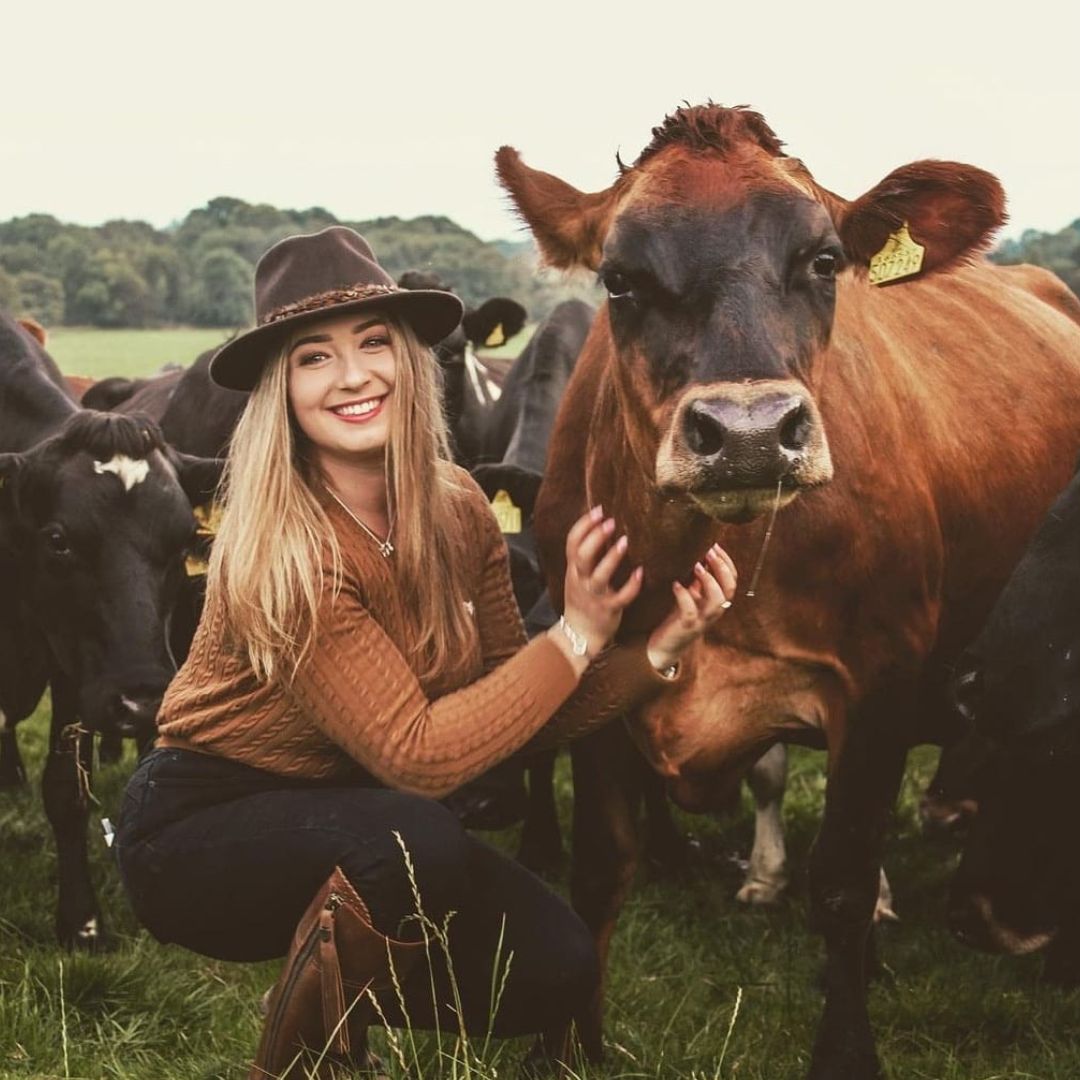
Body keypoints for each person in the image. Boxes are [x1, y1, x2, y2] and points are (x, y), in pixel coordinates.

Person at [114, 226, 737, 1079]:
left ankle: (324, 975)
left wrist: (657, 649)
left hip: (361, 822)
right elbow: (418, 757)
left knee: (558, 964)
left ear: (411, 362)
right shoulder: (286, 550)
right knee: (418, 838)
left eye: (375, 343)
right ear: (279, 390)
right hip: (199, 827)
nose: (354, 375)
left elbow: (515, 713)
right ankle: (310, 1061)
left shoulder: (458, 509)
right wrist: (577, 632)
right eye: (313, 358)